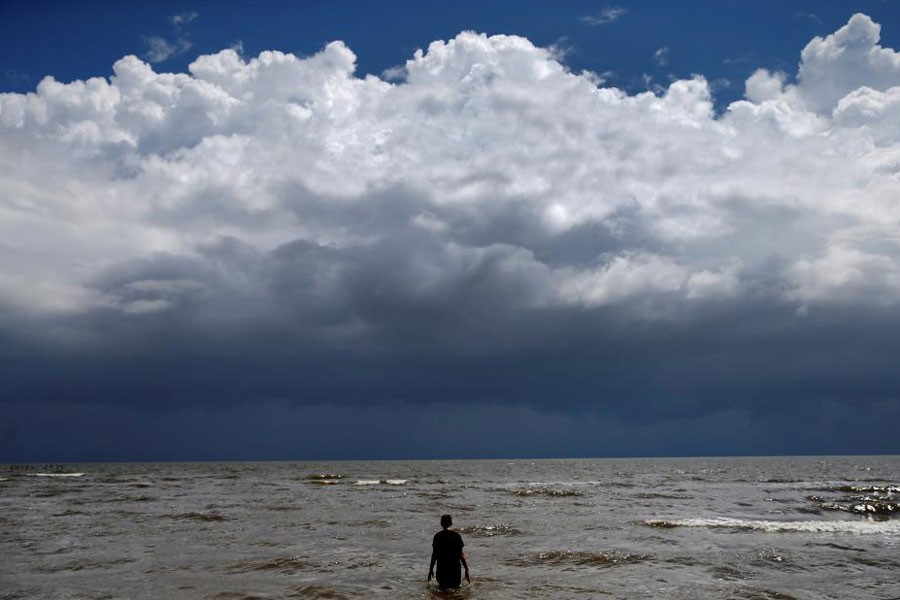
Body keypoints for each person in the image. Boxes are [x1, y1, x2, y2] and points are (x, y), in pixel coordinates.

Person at [428, 514, 470, 589]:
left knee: (442, 591)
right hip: (454, 569)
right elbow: (461, 555)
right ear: (451, 523)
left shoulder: (437, 536)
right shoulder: (456, 536)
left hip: (442, 569)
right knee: (456, 591)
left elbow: (434, 555)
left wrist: (430, 570)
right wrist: (466, 570)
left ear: (441, 523)